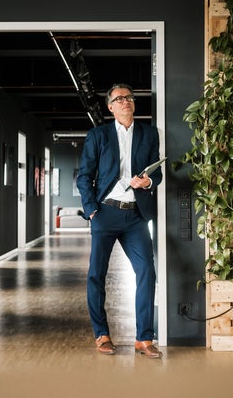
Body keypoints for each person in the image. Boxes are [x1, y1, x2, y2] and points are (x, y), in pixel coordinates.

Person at [76, 83, 163, 359]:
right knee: (96, 275)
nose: (125, 101)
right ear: (110, 106)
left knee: (147, 272)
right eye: (119, 99)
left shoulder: (150, 134)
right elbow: (83, 176)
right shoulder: (98, 135)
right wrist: (91, 211)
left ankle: (144, 339)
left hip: (136, 215)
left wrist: (147, 180)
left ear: (134, 104)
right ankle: (101, 335)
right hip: (105, 212)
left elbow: (156, 174)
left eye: (129, 97)